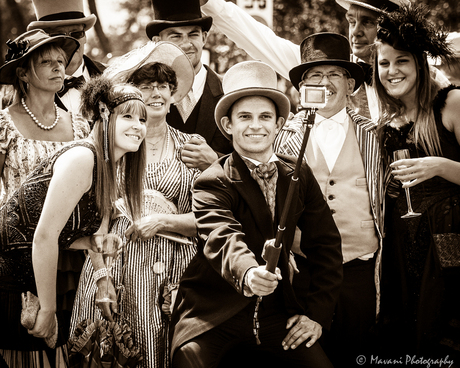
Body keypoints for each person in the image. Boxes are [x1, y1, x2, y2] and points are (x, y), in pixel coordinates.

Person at [170, 60, 343, 368]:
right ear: (228, 126)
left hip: (278, 313)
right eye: (244, 117)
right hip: (215, 313)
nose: (255, 126)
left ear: (279, 124)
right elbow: (222, 237)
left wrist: (316, 316)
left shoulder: (298, 173)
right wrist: (250, 274)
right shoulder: (212, 179)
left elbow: (326, 245)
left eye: (265, 117)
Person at [70, 41, 202, 368]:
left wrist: (164, 222)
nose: (156, 92)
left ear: (174, 95)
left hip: (175, 269)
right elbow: (93, 220)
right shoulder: (115, 146)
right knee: (110, 351)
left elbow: (210, 218)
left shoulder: (193, 147)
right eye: (145, 86)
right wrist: (101, 276)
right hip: (117, 265)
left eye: (163, 86)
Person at [0, 75, 147, 367]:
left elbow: (63, 229)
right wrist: (47, 309)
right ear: (103, 115)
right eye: (127, 116)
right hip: (16, 279)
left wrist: (92, 242)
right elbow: (42, 236)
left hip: (40, 275)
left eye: (142, 120)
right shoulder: (83, 158)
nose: (138, 127)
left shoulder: (109, 167)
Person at [273, 32, 383, 367]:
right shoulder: (283, 137)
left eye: (334, 74)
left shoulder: (375, 135)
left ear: (351, 85)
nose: (326, 81)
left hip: (359, 271)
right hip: (304, 270)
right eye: (315, 75)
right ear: (303, 86)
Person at [372, 4, 460, 361]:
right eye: (384, 63)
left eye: (401, 61)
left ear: (420, 64)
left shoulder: (451, 102)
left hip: (449, 241)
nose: (391, 71)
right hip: (400, 244)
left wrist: (439, 166)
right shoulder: (385, 124)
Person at [199, 0, 447, 121]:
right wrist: (210, 4)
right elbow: (259, 39)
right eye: (351, 21)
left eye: (368, 22)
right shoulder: (324, 68)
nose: (356, 31)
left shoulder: (427, 79)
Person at [0, 29, 92, 346]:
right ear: (23, 73)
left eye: (60, 61)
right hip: (16, 258)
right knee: (24, 347)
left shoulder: (81, 125)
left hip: (71, 258)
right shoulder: (3, 125)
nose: (58, 67)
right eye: (46, 61)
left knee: (71, 347)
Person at [146, 0, 233, 171]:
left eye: (193, 34)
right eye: (176, 36)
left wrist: (217, 161)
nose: (186, 44)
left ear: (204, 38)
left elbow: (252, 159)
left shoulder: (231, 91)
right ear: (157, 41)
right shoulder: (142, 95)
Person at [27, 0, 106, 114]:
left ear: (85, 37)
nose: (71, 41)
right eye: (58, 35)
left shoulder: (114, 77)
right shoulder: (24, 94)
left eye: (76, 33)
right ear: (44, 41)